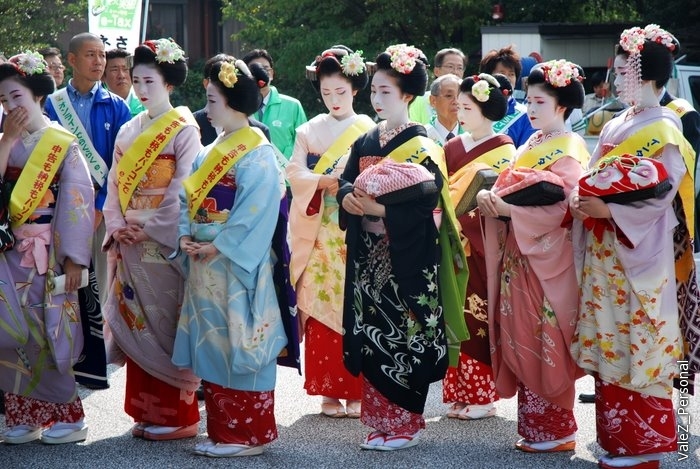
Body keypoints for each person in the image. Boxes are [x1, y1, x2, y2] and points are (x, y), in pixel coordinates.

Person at [569, 25, 697, 469]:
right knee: (611, 336)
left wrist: (610, 213)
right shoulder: (620, 121)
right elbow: (593, 173)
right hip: (607, 249)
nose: (615, 76)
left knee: (641, 334)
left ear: (646, 74)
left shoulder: (663, 125)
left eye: (623, 69)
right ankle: (617, 440)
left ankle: (650, 445)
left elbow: (664, 192)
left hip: (640, 246)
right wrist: (582, 201)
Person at [337, 44, 467, 451]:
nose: (377, 99)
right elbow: (344, 180)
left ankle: (405, 423)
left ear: (407, 95)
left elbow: (430, 205)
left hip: (406, 257)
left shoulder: (424, 141)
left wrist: (378, 207)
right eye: (373, 91)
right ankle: (379, 420)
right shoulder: (365, 140)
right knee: (374, 336)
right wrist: (346, 198)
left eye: (386, 92)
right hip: (368, 254)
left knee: (403, 336)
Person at [171, 55, 288, 457]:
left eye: (213, 100)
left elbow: (258, 209)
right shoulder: (209, 151)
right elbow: (189, 201)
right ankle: (224, 430)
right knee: (214, 342)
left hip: (236, 266)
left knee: (242, 340)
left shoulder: (258, 152)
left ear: (235, 103)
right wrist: (187, 233)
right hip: (206, 263)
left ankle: (247, 435)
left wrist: (217, 244)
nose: (207, 109)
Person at [476, 59, 588, 453]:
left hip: (546, 261)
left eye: (539, 102)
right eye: (530, 101)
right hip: (519, 257)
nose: (531, 109)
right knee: (521, 334)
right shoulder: (532, 143)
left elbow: (566, 209)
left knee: (547, 338)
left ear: (561, 106)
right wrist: (491, 200)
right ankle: (536, 429)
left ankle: (557, 430)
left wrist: (509, 211)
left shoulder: (570, 148)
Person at [101, 38, 202, 441]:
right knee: (137, 321)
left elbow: (184, 187)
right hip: (129, 239)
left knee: (166, 322)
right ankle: (147, 411)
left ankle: (181, 417)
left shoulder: (185, 127)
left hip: (162, 241)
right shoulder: (129, 127)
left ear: (169, 83)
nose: (141, 89)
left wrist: (151, 227)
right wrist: (116, 225)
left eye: (150, 81)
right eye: (137, 80)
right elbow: (113, 185)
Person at [0, 51, 94, 444]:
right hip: (8, 252)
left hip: (50, 254)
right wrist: (6, 142)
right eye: (3, 101)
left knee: (49, 330)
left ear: (37, 94)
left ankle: (68, 417)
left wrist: (74, 259)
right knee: (8, 332)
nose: (10, 107)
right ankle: (22, 415)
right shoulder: (4, 140)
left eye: (16, 96)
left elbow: (77, 201)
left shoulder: (62, 142)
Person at [287, 46, 373, 419]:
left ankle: (356, 389)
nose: (334, 99)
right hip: (321, 230)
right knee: (322, 306)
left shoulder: (370, 128)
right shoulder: (308, 129)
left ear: (355, 89)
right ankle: (327, 391)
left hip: (357, 227)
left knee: (357, 307)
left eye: (341, 92)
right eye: (326, 93)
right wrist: (323, 179)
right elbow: (293, 173)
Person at [44, 32, 132, 390]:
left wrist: (98, 208)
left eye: (101, 55)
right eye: (91, 55)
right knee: (56, 280)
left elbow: (121, 168)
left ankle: (91, 362)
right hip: (55, 209)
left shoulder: (117, 107)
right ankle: (55, 352)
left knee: (93, 285)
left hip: (99, 210)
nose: (99, 62)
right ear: (72, 60)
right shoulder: (51, 104)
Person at [442, 73, 516, 420]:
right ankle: (459, 393)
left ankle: (483, 396)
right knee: (454, 315)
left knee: (477, 317)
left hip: (481, 242)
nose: (460, 111)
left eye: (467, 106)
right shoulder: (452, 146)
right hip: (451, 240)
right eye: (459, 104)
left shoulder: (505, 149)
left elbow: (502, 200)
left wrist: (465, 220)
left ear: (486, 111)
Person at [241, 48, 307, 160]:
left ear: (271, 73)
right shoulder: (238, 107)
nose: (261, 74)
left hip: (286, 175)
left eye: (265, 69)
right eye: (254, 70)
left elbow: (305, 144)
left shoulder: (293, 106)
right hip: (249, 174)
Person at [193, 53, 271, 146]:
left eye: (212, 101)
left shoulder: (260, 138)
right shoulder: (193, 125)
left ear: (234, 101)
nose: (207, 109)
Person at [479, 45, 536, 148]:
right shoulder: (474, 108)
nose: (508, 78)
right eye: (502, 73)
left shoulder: (525, 115)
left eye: (511, 74)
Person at [409, 47, 467, 125]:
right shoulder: (419, 100)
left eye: (460, 68)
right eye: (450, 66)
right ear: (436, 71)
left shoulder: (468, 100)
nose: (455, 72)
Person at [103, 48, 145, 117]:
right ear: (103, 76)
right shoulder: (96, 107)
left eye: (125, 69)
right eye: (114, 70)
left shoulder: (146, 107)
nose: (121, 76)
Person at [424, 74, 462, 146]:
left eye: (459, 96)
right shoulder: (423, 137)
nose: (456, 101)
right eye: (449, 96)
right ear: (433, 101)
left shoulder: (473, 136)